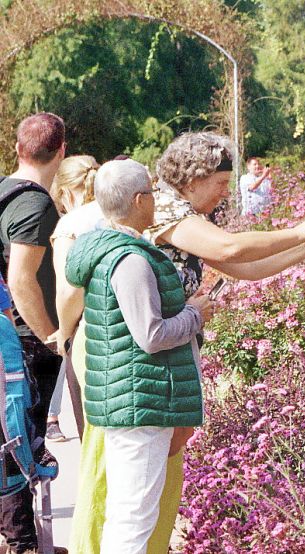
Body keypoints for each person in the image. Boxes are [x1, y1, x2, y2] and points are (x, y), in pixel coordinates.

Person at [69, 132, 305, 554]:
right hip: (137, 357)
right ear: (194, 178)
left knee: (148, 479)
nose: (224, 194)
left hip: (157, 355)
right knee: (127, 483)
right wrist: (298, 230)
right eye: (220, 184)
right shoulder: (166, 209)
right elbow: (230, 247)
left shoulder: (187, 214)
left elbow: (241, 267)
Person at [65, 159, 215, 553]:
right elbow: (150, 335)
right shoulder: (130, 260)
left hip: (130, 398)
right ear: (138, 200)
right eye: (152, 192)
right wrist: (196, 315)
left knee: (126, 511)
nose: (156, 199)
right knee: (134, 518)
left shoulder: (109, 249)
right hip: (142, 403)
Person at [0, 112, 67, 554]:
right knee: (21, 440)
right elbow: (22, 279)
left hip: (10, 333)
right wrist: (50, 336)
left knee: (12, 437)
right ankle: (21, 543)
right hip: (24, 340)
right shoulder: (35, 203)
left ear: (18, 148)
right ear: (60, 151)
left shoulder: (5, 189)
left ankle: (18, 539)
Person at [45, 155, 99, 442]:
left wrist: (64, 335)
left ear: (64, 192)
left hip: (89, 334)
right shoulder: (119, 212)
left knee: (92, 435)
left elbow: (69, 289)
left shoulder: (70, 226)